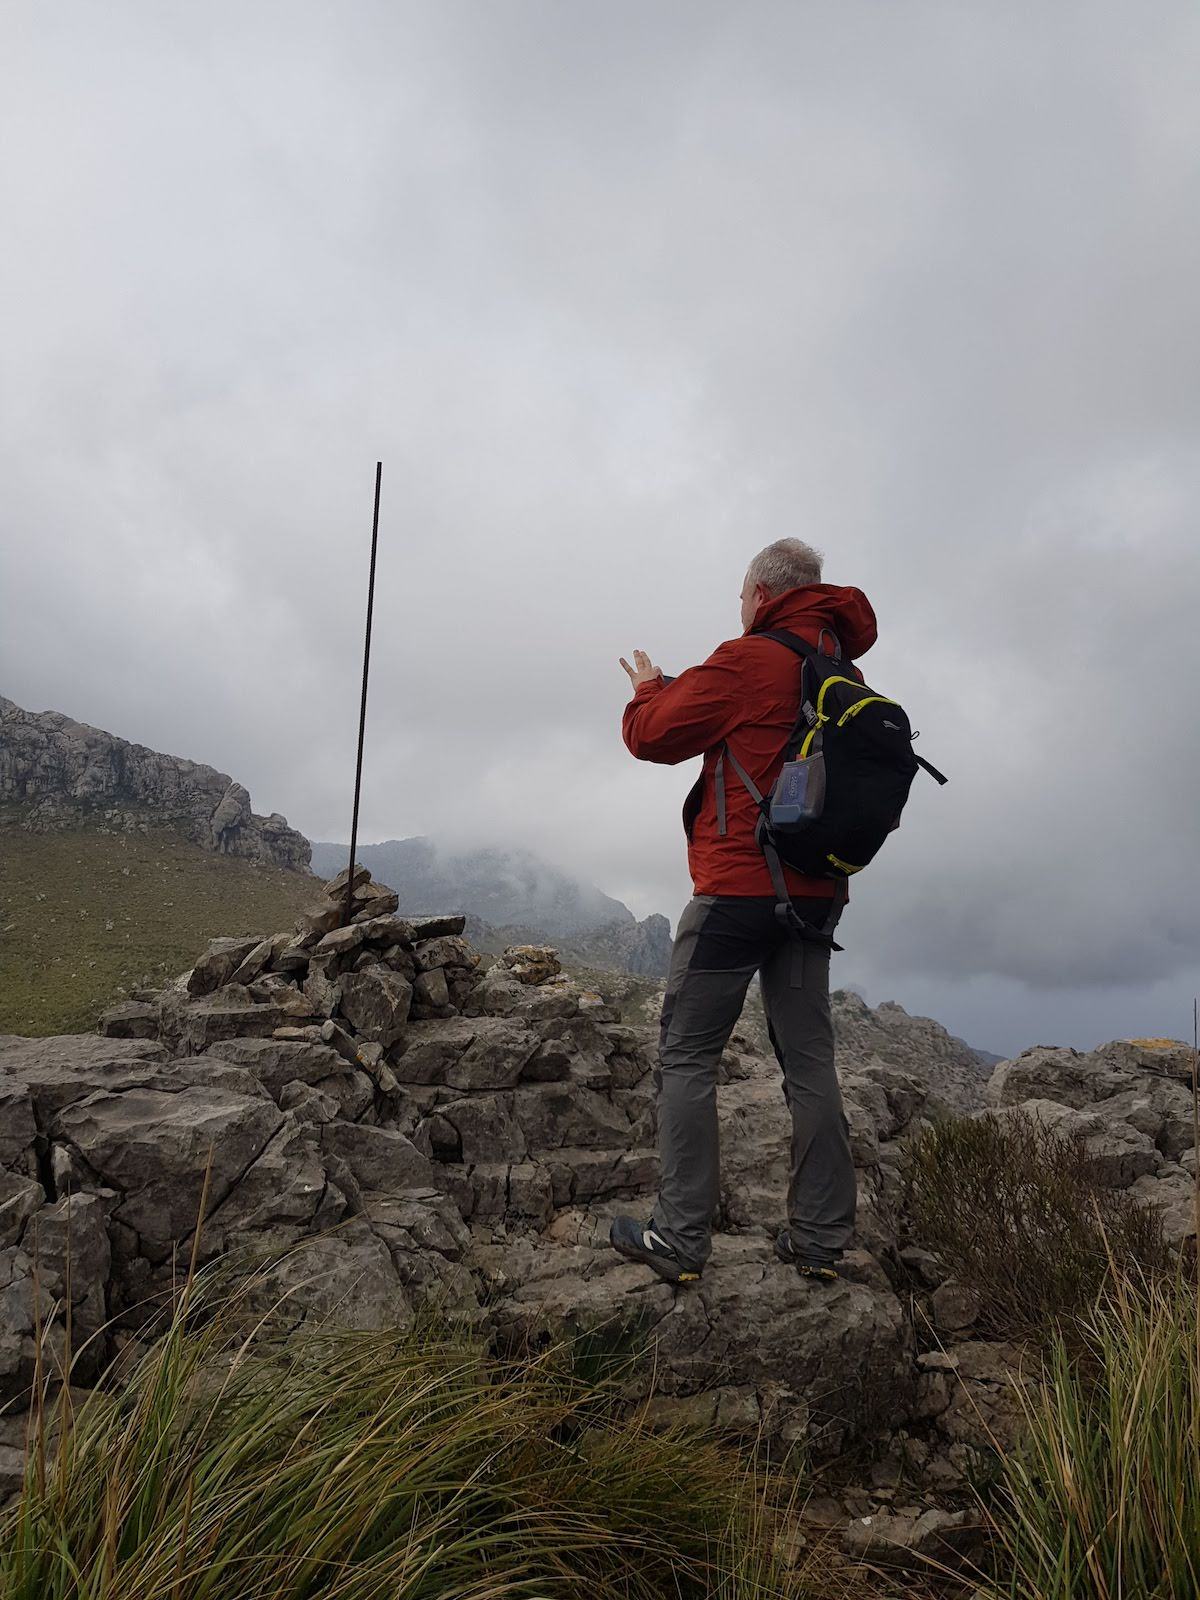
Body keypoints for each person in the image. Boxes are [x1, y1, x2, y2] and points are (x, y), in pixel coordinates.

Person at [608, 538, 878, 1286]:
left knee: (688, 1055)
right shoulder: (845, 674)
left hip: (736, 893)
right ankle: (820, 1240)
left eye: (740, 597)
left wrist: (648, 686)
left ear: (761, 594)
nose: (739, 607)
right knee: (810, 1060)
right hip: (817, 899)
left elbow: (654, 736)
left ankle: (681, 1238)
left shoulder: (749, 658)